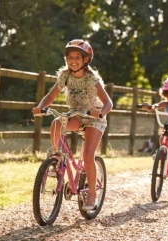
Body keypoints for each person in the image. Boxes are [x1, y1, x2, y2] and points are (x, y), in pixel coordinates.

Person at [32, 39, 113, 211]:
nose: (73, 60)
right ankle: (56, 159)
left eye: (77, 57)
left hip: (93, 117)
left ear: (86, 60)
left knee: (89, 155)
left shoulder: (92, 79)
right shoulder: (65, 75)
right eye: (70, 57)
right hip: (76, 113)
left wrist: (101, 112)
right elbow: (52, 94)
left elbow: (108, 103)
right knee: (56, 123)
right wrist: (41, 106)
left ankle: (92, 194)